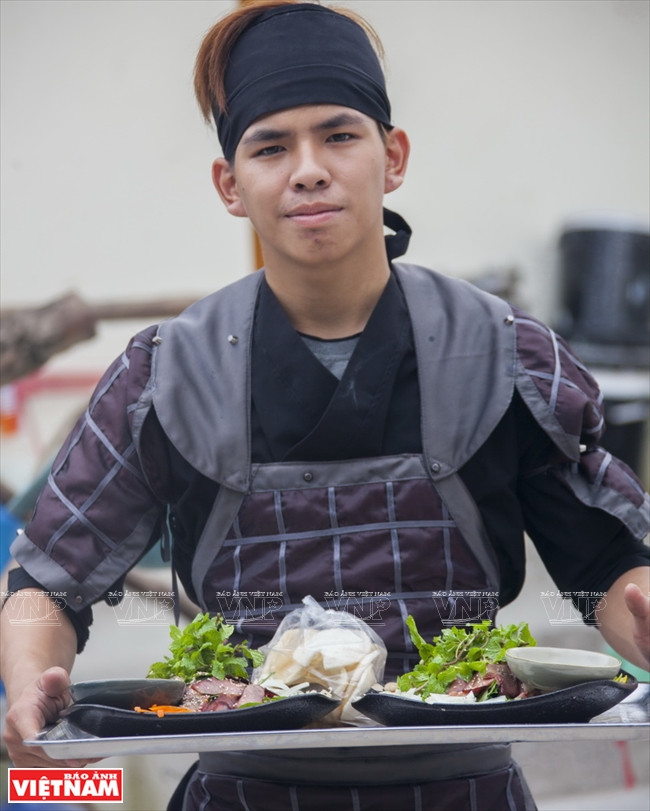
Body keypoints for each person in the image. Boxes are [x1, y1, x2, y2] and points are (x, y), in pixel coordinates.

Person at [2, 1, 649, 809]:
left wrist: (638, 611)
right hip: (245, 790)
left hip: (464, 789)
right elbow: (47, 580)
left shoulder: (501, 353)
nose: (309, 168)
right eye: (271, 146)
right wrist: (32, 677)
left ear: (395, 154)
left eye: (339, 135)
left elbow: (606, 563)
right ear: (230, 186)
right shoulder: (169, 373)